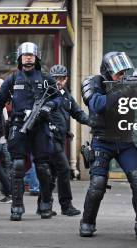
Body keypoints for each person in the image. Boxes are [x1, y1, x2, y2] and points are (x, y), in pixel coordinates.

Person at [79, 51, 137, 241]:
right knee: (98, 183)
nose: (122, 76)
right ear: (107, 71)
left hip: (125, 140)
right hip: (102, 140)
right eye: (118, 73)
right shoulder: (93, 82)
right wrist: (122, 91)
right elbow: (97, 105)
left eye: (123, 72)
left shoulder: (129, 83)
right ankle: (87, 222)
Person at [0, 42, 60, 221]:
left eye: (31, 55)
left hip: (41, 126)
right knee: (18, 166)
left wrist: (49, 106)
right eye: (25, 55)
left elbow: (60, 98)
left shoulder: (46, 79)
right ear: (19, 58)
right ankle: (17, 205)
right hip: (19, 126)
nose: (28, 57)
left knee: (43, 167)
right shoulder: (12, 79)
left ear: (37, 57)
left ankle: (45, 203)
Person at [48, 64, 90, 216]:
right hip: (48, 139)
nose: (58, 81)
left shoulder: (66, 96)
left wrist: (92, 121)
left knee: (52, 174)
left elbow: (78, 113)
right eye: (55, 79)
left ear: (66, 79)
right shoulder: (46, 94)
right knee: (64, 170)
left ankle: (44, 205)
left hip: (60, 138)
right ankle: (66, 206)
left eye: (61, 78)